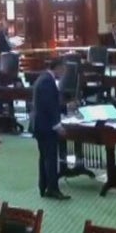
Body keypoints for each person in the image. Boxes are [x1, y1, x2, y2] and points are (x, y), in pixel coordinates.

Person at [31, 57, 69, 200]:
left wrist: (66, 107)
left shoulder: (44, 78)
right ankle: (52, 189)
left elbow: (50, 103)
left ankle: (44, 186)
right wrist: (57, 126)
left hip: (40, 125)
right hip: (45, 126)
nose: (64, 73)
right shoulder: (47, 81)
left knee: (44, 157)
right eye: (63, 69)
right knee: (50, 158)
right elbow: (49, 107)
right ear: (58, 67)